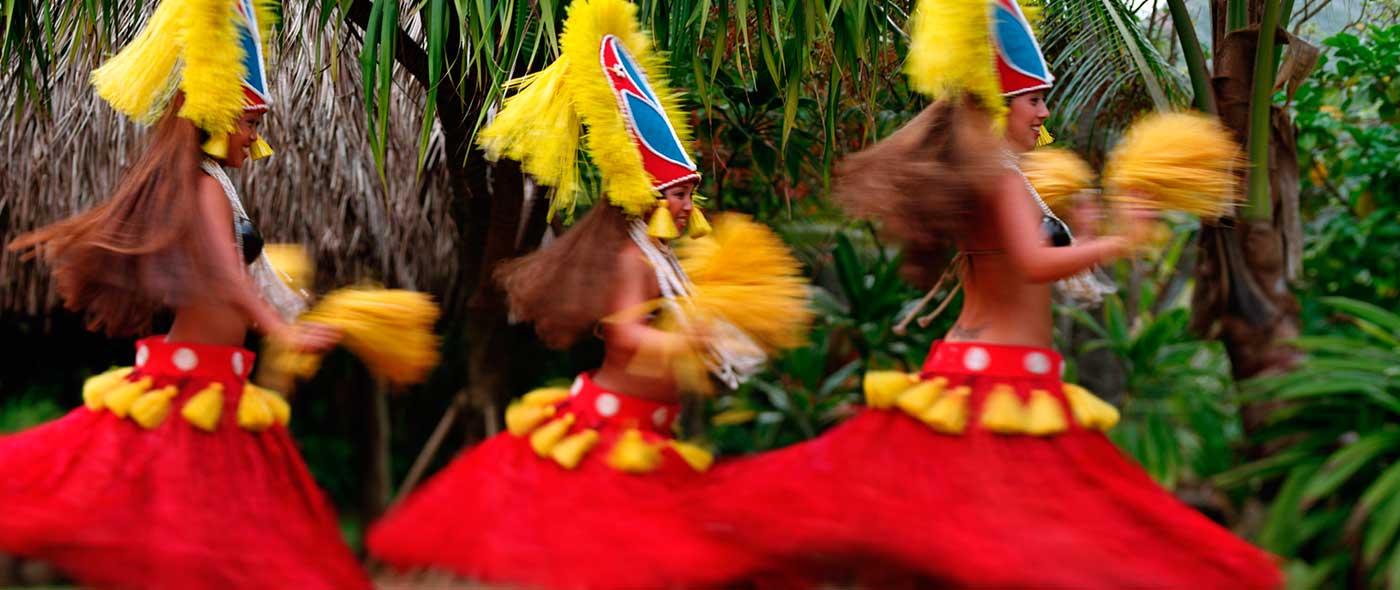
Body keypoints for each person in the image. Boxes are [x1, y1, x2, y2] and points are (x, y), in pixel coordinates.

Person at [695, 0, 1284, 587]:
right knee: (1017, 550)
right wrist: (1120, 242)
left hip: (977, 369)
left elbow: (1031, 259)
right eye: (1034, 100)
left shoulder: (1002, 175)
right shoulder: (1002, 177)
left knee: (990, 544)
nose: (1044, 112)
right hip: (1002, 380)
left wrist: (1093, 228)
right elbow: (1032, 264)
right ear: (1001, 107)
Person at [367, 1, 809, 588]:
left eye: (687, 192)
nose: (685, 204)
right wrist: (689, 339)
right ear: (646, 195)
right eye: (676, 193)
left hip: (652, 430)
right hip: (611, 433)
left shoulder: (662, 259)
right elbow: (624, 337)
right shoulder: (634, 260)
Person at [1, 1, 369, 588]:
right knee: (181, 539)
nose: (255, 135)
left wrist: (307, 318)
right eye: (249, 120)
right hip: (188, 386)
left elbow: (248, 281)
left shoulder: (217, 186)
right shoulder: (204, 187)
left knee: (211, 541)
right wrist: (282, 330)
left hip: (219, 381)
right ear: (219, 115)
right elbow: (227, 277)